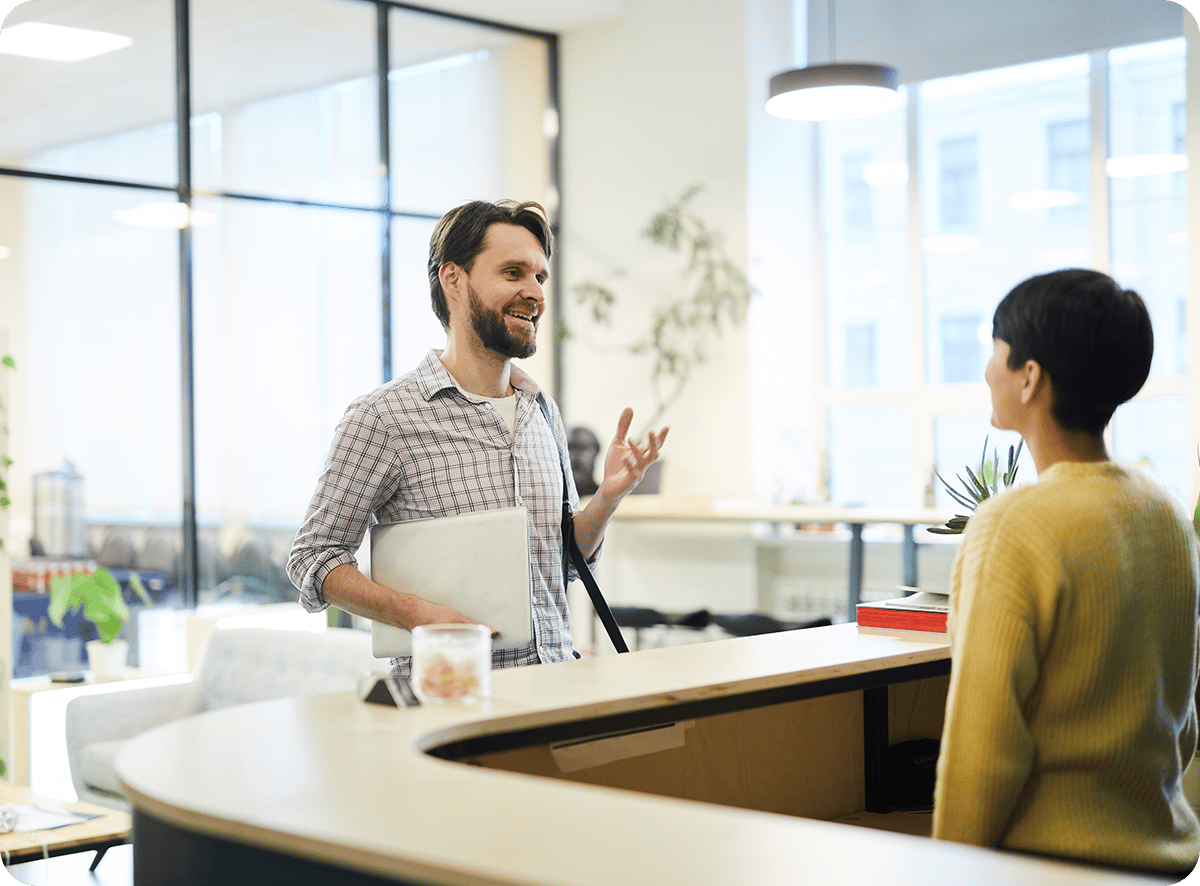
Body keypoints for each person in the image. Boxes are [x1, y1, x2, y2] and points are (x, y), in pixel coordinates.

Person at [287, 199, 667, 677]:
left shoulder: (542, 411)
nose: (534, 293)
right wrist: (416, 616)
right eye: (513, 273)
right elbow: (312, 559)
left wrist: (609, 496)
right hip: (452, 697)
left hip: (555, 688)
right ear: (454, 280)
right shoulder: (384, 418)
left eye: (540, 278)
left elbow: (566, 563)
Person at [931, 268, 1200, 874]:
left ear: (1030, 377)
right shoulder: (1166, 512)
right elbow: (1183, 725)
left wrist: (944, 873)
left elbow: (981, 747)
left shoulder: (1012, 525)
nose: (986, 370)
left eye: (996, 350)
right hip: (1163, 860)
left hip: (1047, 865)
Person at [568, 426, 601, 496]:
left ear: (597, 451)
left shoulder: (609, 499)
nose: (575, 456)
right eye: (569, 448)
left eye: (582, 448)